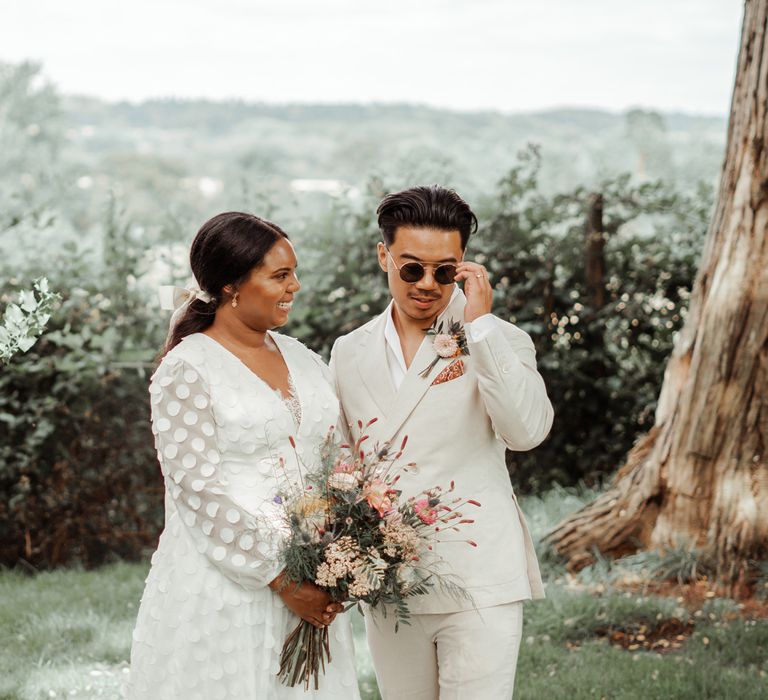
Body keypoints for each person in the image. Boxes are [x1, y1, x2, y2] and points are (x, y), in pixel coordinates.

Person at [330, 186, 554, 699]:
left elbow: (526, 432)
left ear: (463, 267)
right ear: (384, 255)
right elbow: (343, 461)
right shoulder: (349, 351)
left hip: (478, 575)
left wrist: (481, 329)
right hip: (389, 580)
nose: (428, 284)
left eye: (445, 270)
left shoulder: (497, 338)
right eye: (412, 268)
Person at [125, 212, 360, 699]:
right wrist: (280, 579)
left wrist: (338, 549)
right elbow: (199, 494)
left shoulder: (303, 358)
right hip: (226, 588)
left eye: (294, 272)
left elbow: (336, 459)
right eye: (280, 275)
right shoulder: (187, 370)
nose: (295, 285)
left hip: (312, 574)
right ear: (231, 285)